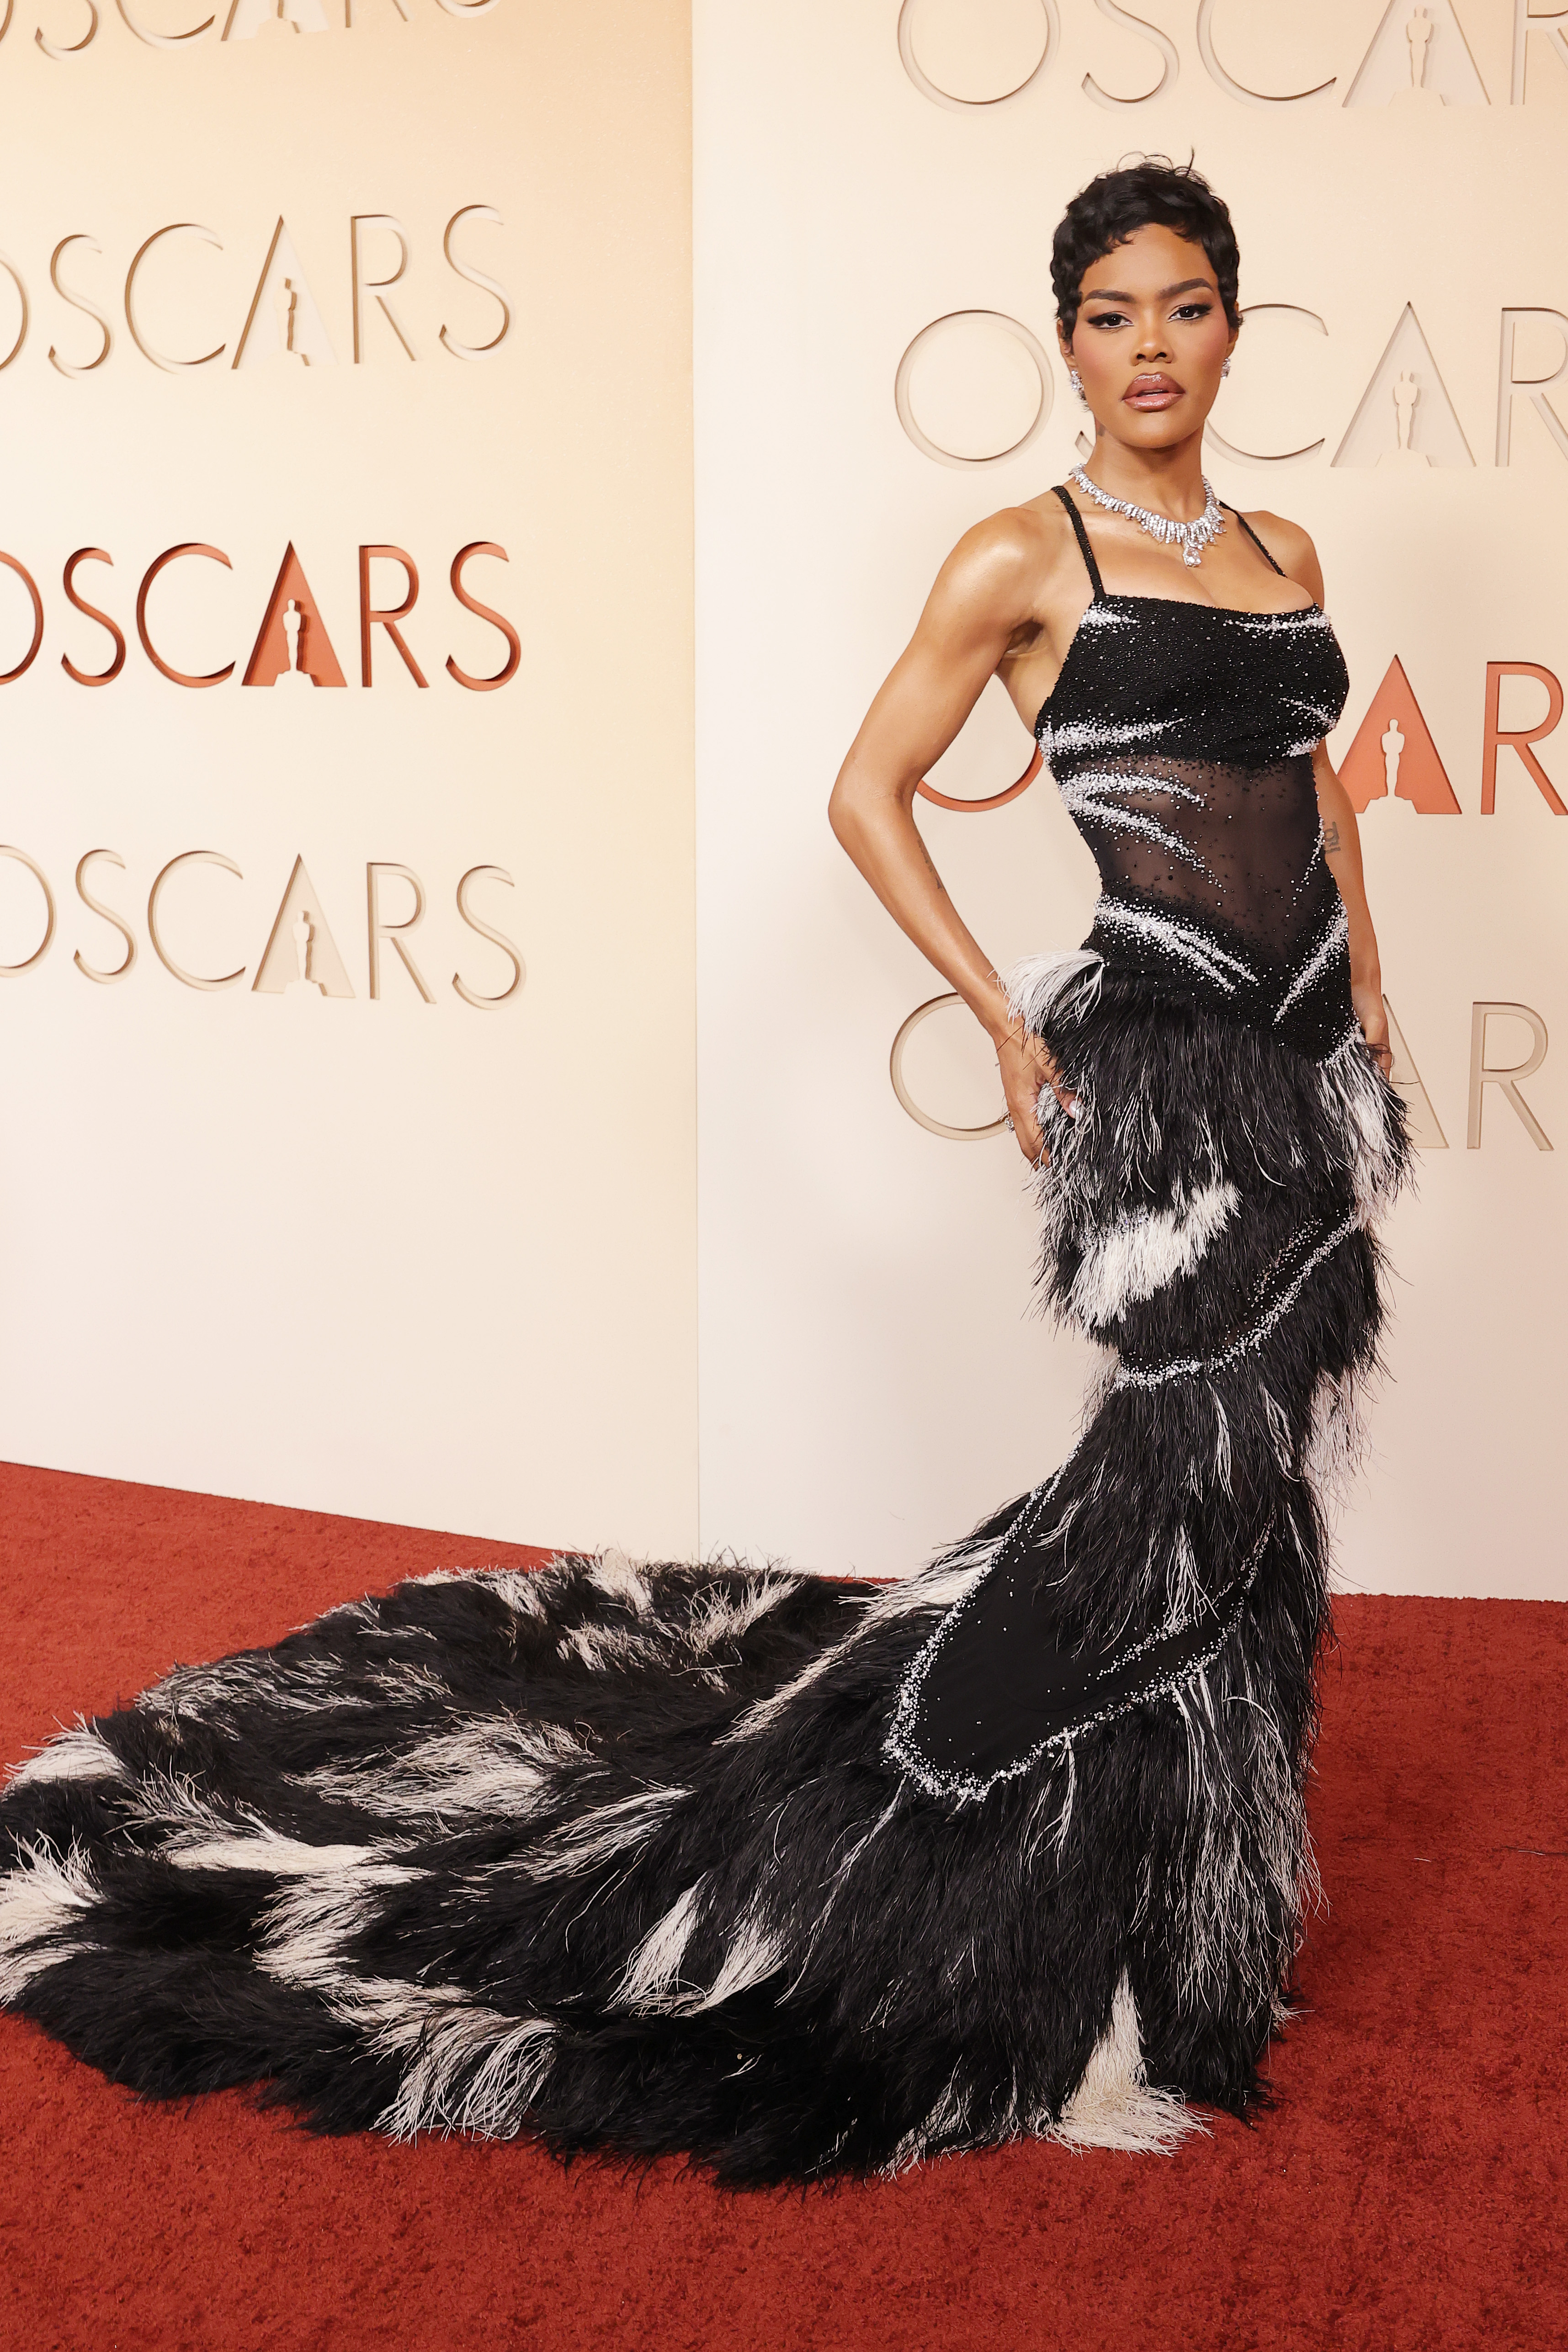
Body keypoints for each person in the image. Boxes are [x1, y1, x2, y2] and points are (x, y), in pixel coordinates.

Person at [0, 161, 1406, 2187]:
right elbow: (868, 789)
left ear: (1236, 325)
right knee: (1165, 1492)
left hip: (1303, 1083)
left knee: (1258, 1501)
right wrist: (1012, 1022)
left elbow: (1320, 799)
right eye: (1112, 314)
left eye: (1185, 308)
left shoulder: (1284, 551)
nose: (1152, 348)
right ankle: (950, 1877)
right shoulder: (1029, 550)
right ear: (1068, 338)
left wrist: (1377, 1024)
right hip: (1167, 1083)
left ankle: (1189, 1913)